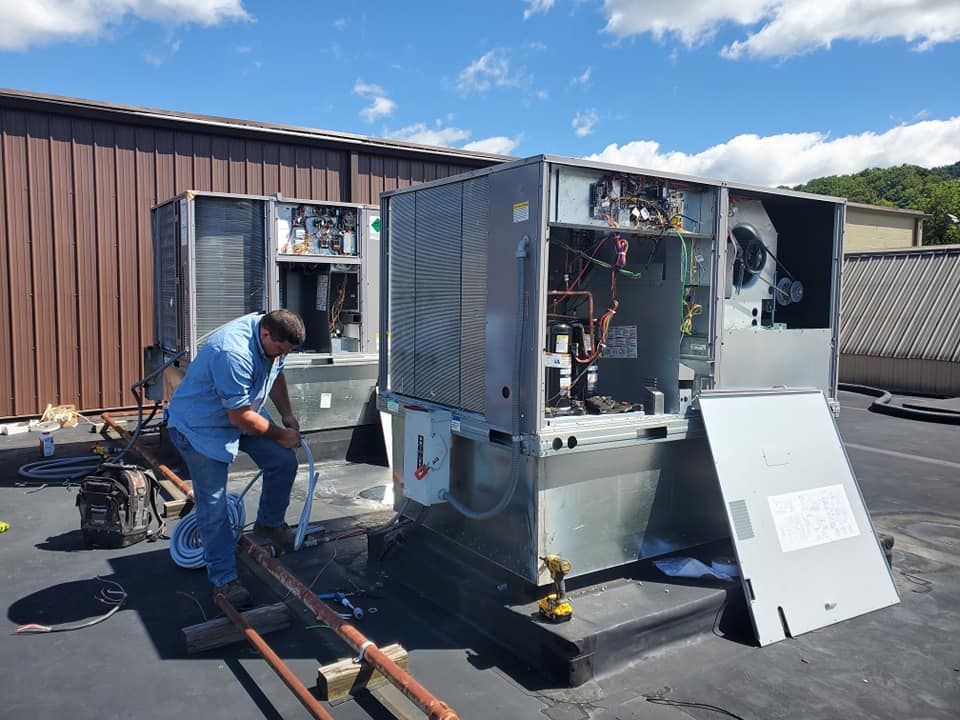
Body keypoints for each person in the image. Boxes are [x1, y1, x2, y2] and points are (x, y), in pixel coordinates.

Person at [167, 310, 306, 607]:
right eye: (280, 349)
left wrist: (287, 415)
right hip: (200, 426)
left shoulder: (273, 343)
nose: (282, 355)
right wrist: (281, 435)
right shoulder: (233, 352)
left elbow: (276, 372)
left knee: (283, 462)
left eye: (287, 352)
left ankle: (269, 524)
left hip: (242, 412)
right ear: (266, 334)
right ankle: (223, 581)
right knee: (214, 505)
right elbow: (241, 418)